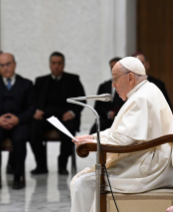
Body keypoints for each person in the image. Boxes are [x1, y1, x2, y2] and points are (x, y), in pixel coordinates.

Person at [70, 57, 173, 212]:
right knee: (84, 179)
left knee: (83, 183)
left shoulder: (141, 98)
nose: (113, 85)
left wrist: (93, 143)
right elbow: (122, 132)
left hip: (150, 167)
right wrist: (92, 137)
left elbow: (124, 139)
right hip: (147, 158)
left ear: (130, 78)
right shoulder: (146, 91)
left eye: (115, 79)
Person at [0, 53, 35, 190]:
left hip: (18, 122)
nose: (6, 68)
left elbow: (31, 107)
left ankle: (17, 179)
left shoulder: (26, 84)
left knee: (20, 138)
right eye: (2, 65)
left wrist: (18, 119)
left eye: (8, 64)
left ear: (15, 64)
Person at [30, 52, 86, 175]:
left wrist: (72, 112)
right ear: (50, 65)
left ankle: (62, 164)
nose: (56, 66)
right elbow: (32, 100)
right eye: (53, 63)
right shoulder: (40, 81)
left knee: (69, 130)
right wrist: (36, 111)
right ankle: (41, 165)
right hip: (46, 117)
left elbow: (82, 100)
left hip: (64, 117)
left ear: (63, 65)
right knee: (33, 129)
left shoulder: (73, 79)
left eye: (59, 63)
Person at [89, 57, 124, 134]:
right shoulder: (104, 86)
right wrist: (108, 113)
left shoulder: (127, 86)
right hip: (106, 119)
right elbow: (97, 106)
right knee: (93, 133)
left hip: (122, 120)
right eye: (112, 67)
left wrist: (116, 115)